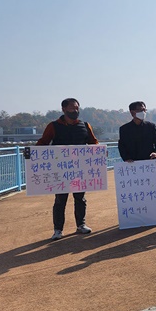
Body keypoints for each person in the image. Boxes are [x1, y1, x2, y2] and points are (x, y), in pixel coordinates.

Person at [36, 98, 99, 241]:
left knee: (80, 198)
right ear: (64, 109)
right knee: (60, 200)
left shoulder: (85, 125)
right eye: (72, 108)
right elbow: (43, 142)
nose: (75, 111)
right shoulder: (53, 126)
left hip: (80, 170)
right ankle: (58, 230)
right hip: (60, 171)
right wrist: (31, 153)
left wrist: (99, 151)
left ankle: (81, 225)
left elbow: (93, 142)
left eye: (77, 108)